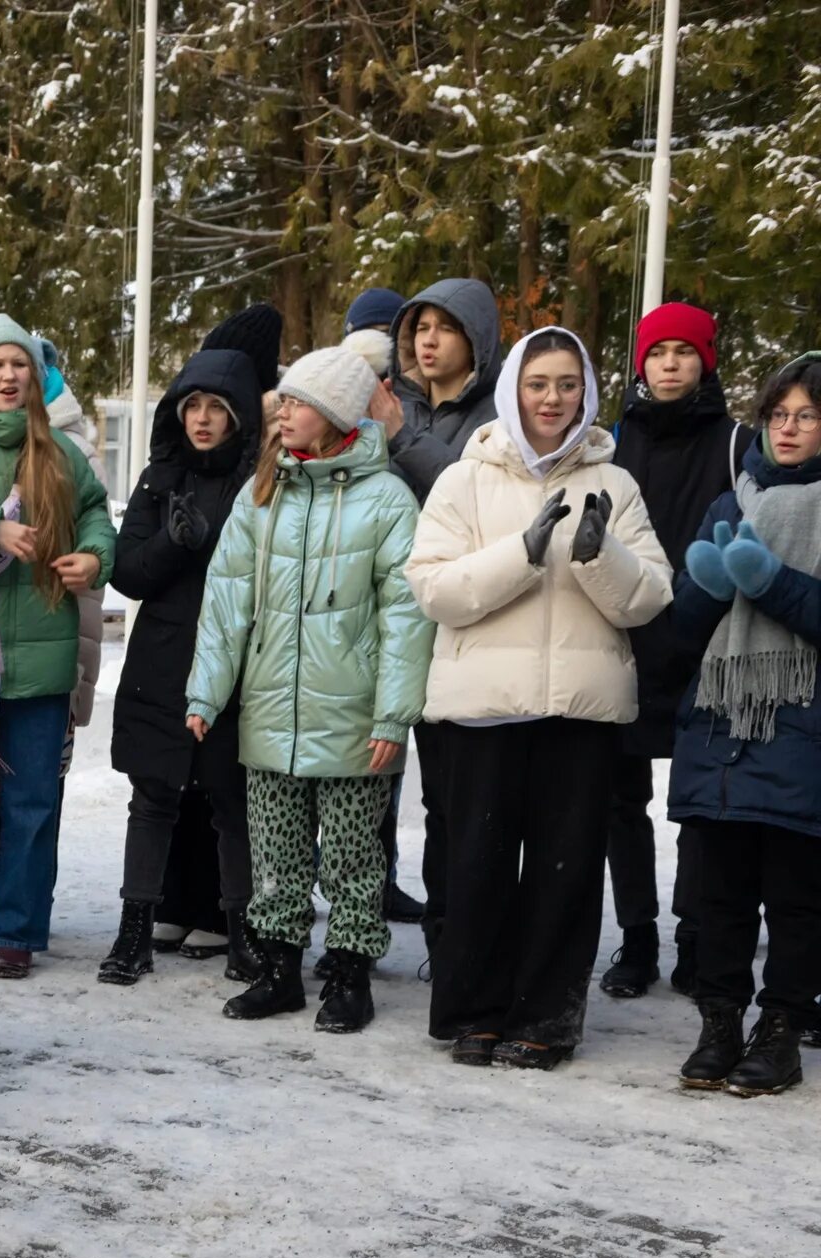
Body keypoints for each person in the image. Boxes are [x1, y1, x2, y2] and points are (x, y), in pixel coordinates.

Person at [407, 329, 673, 1069]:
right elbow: (432, 586)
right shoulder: (465, 479)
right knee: (476, 866)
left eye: (566, 384)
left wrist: (599, 555)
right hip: (483, 708)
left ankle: (546, 1019)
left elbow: (650, 596)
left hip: (578, 713)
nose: (552, 399)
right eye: (537, 383)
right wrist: (521, 553)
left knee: (566, 870)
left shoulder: (614, 485)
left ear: (585, 390)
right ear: (512, 390)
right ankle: (476, 1012)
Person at [187, 344, 431, 1032]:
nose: (282, 412)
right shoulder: (263, 492)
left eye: (296, 402)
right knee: (276, 852)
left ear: (334, 413)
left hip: (353, 714)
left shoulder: (386, 499)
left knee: (356, 856)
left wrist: (393, 714)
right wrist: (207, 692)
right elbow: (227, 598)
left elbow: (405, 619)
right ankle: (279, 969)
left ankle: (351, 974)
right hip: (271, 706)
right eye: (283, 400)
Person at [664, 354, 821, 1096]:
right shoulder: (732, 503)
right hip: (720, 730)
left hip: (803, 733)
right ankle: (718, 1021)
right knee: (716, 895)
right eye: (778, 414)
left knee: (795, 900)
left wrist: (774, 586)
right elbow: (678, 635)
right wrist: (707, 590)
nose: (788, 429)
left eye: (807, 415)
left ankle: (782, 1029)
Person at [0, 314, 113, 978]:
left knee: (31, 802)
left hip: (44, 651)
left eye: (20, 364)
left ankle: (17, 931)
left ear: (36, 376)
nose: (10, 376)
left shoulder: (62, 454)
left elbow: (98, 512)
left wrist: (94, 556)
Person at [103, 335, 266, 985]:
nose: (201, 417)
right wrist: (174, 541)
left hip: (234, 662)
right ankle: (133, 931)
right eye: (191, 404)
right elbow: (128, 573)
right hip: (163, 661)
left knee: (231, 801)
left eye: (217, 407)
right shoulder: (158, 477)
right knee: (152, 798)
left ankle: (243, 932)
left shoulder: (259, 482)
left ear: (239, 416)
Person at [605, 302, 745, 998]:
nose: (668, 363)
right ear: (640, 362)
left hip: (707, 645)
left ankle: (695, 937)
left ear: (705, 361)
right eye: (656, 351)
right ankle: (637, 938)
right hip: (622, 640)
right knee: (618, 801)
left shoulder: (735, 442)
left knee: (696, 804)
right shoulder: (611, 440)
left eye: (683, 352)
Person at [383, 280, 503, 938]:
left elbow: (469, 496)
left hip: (464, 627)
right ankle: (384, 926)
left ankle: (460, 936)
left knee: (456, 798)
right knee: (381, 784)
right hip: (390, 621)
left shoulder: (496, 413)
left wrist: (401, 437)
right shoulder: (395, 401)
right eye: (419, 326)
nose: (428, 340)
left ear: (476, 339)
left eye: (445, 328)